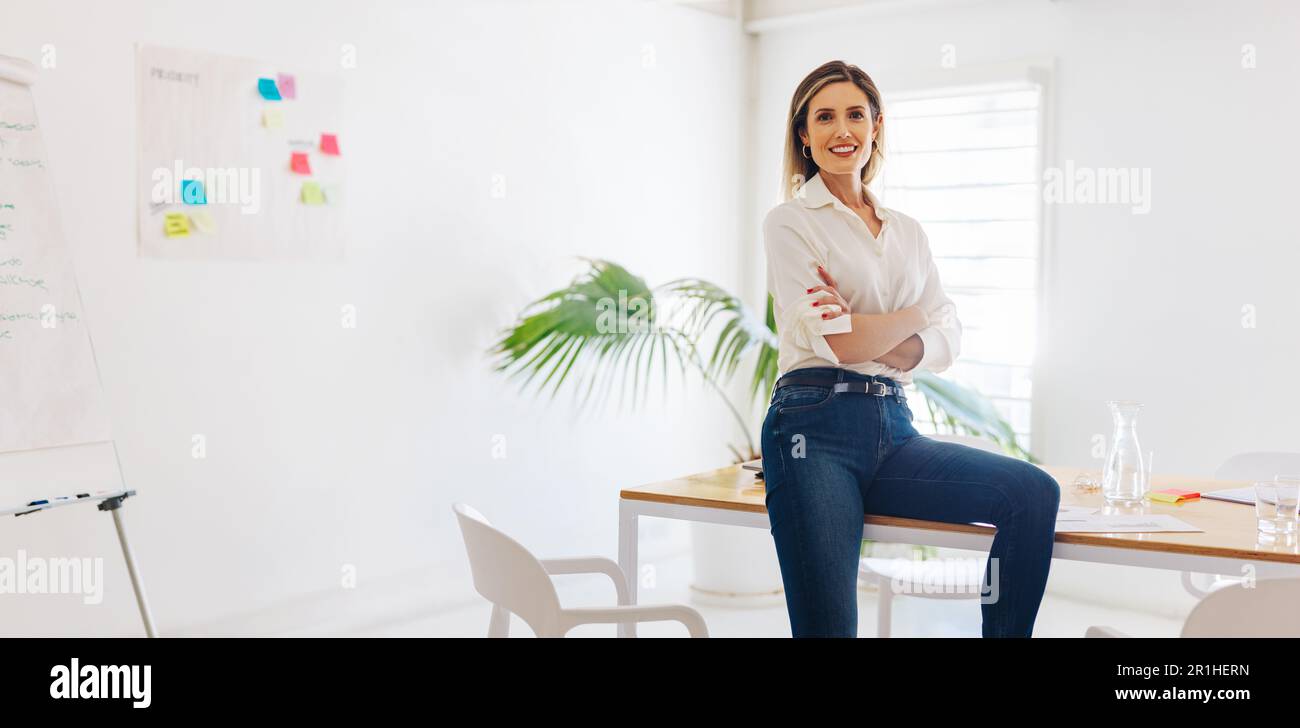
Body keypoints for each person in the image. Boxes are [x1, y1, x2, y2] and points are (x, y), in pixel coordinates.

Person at [760, 59, 1060, 638]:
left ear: (876, 125)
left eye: (855, 114)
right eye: (824, 117)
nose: (841, 130)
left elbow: (946, 344)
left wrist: (888, 329)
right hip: (811, 431)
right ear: (804, 134)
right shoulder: (790, 222)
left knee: (1030, 492)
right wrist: (916, 318)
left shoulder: (907, 231)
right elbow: (844, 343)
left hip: (894, 428)